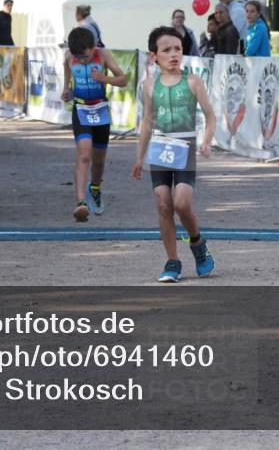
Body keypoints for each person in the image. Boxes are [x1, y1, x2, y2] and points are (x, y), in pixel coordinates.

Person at [132, 26, 217, 282]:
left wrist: (206, 141)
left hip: (185, 147)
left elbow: (210, 116)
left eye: (178, 49)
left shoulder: (193, 81)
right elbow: (147, 122)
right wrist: (139, 157)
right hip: (159, 148)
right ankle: (172, 261)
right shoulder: (149, 85)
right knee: (163, 203)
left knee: (181, 203)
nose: (173, 54)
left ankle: (198, 242)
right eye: (166, 50)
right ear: (153, 55)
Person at [61, 27, 129, 221]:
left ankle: (95, 188)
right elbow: (67, 78)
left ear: (93, 47)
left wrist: (104, 78)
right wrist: (66, 91)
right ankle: (81, 202)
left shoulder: (103, 55)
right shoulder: (68, 56)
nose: (82, 60)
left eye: (85, 56)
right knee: (84, 154)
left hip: (100, 110)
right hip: (81, 109)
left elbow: (123, 79)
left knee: (98, 160)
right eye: (78, 58)